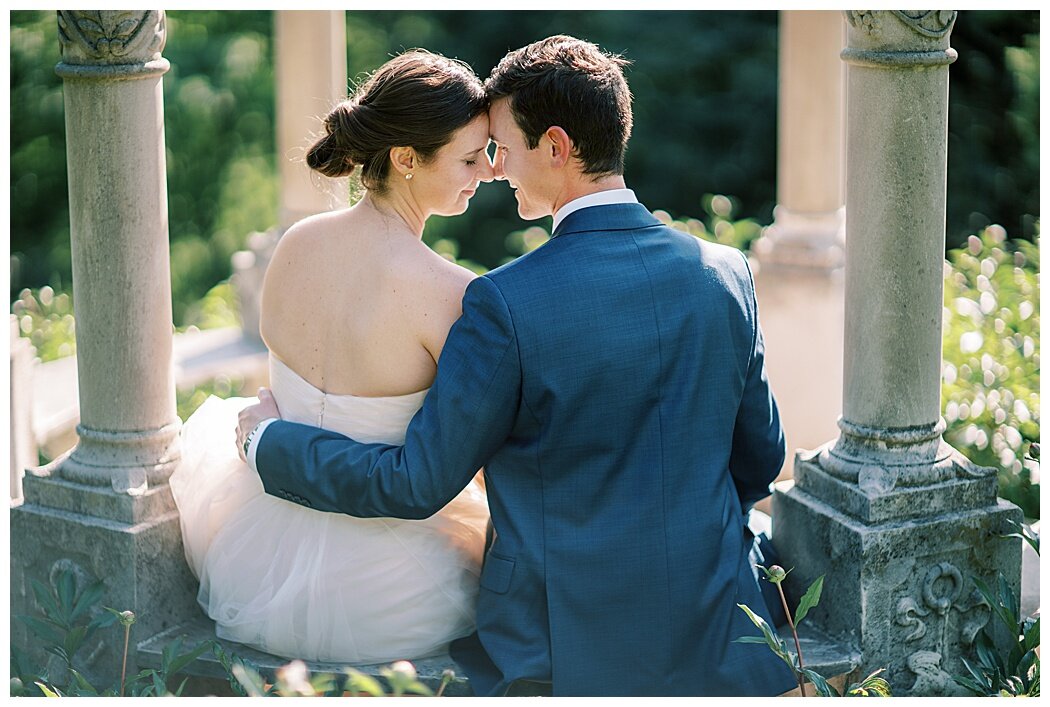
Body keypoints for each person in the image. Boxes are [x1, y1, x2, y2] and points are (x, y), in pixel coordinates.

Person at [238, 35, 797, 697]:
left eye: (499, 149)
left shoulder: (504, 301)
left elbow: (416, 482)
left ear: (556, 148)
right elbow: (762, 460)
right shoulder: (726, 273)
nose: (494, 171)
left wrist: (266, 442)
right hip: (714, 619)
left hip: (558, 639)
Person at [169, 50, 495, 664]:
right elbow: (466, 458)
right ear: (405, 159)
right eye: (470, 158)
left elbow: (281, 363)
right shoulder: (451, 293)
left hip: (255, 561)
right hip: (389, 593)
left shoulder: (296, 244)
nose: (485, 172)